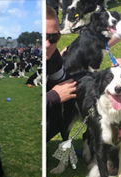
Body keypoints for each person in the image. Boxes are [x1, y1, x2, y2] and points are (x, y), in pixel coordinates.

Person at [46, 5, 76, 142]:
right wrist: (53, 97)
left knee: (58, 117)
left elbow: (62, 82)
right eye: (43, 37)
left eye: (53, 37)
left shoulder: (54, 57)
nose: (47, 44)